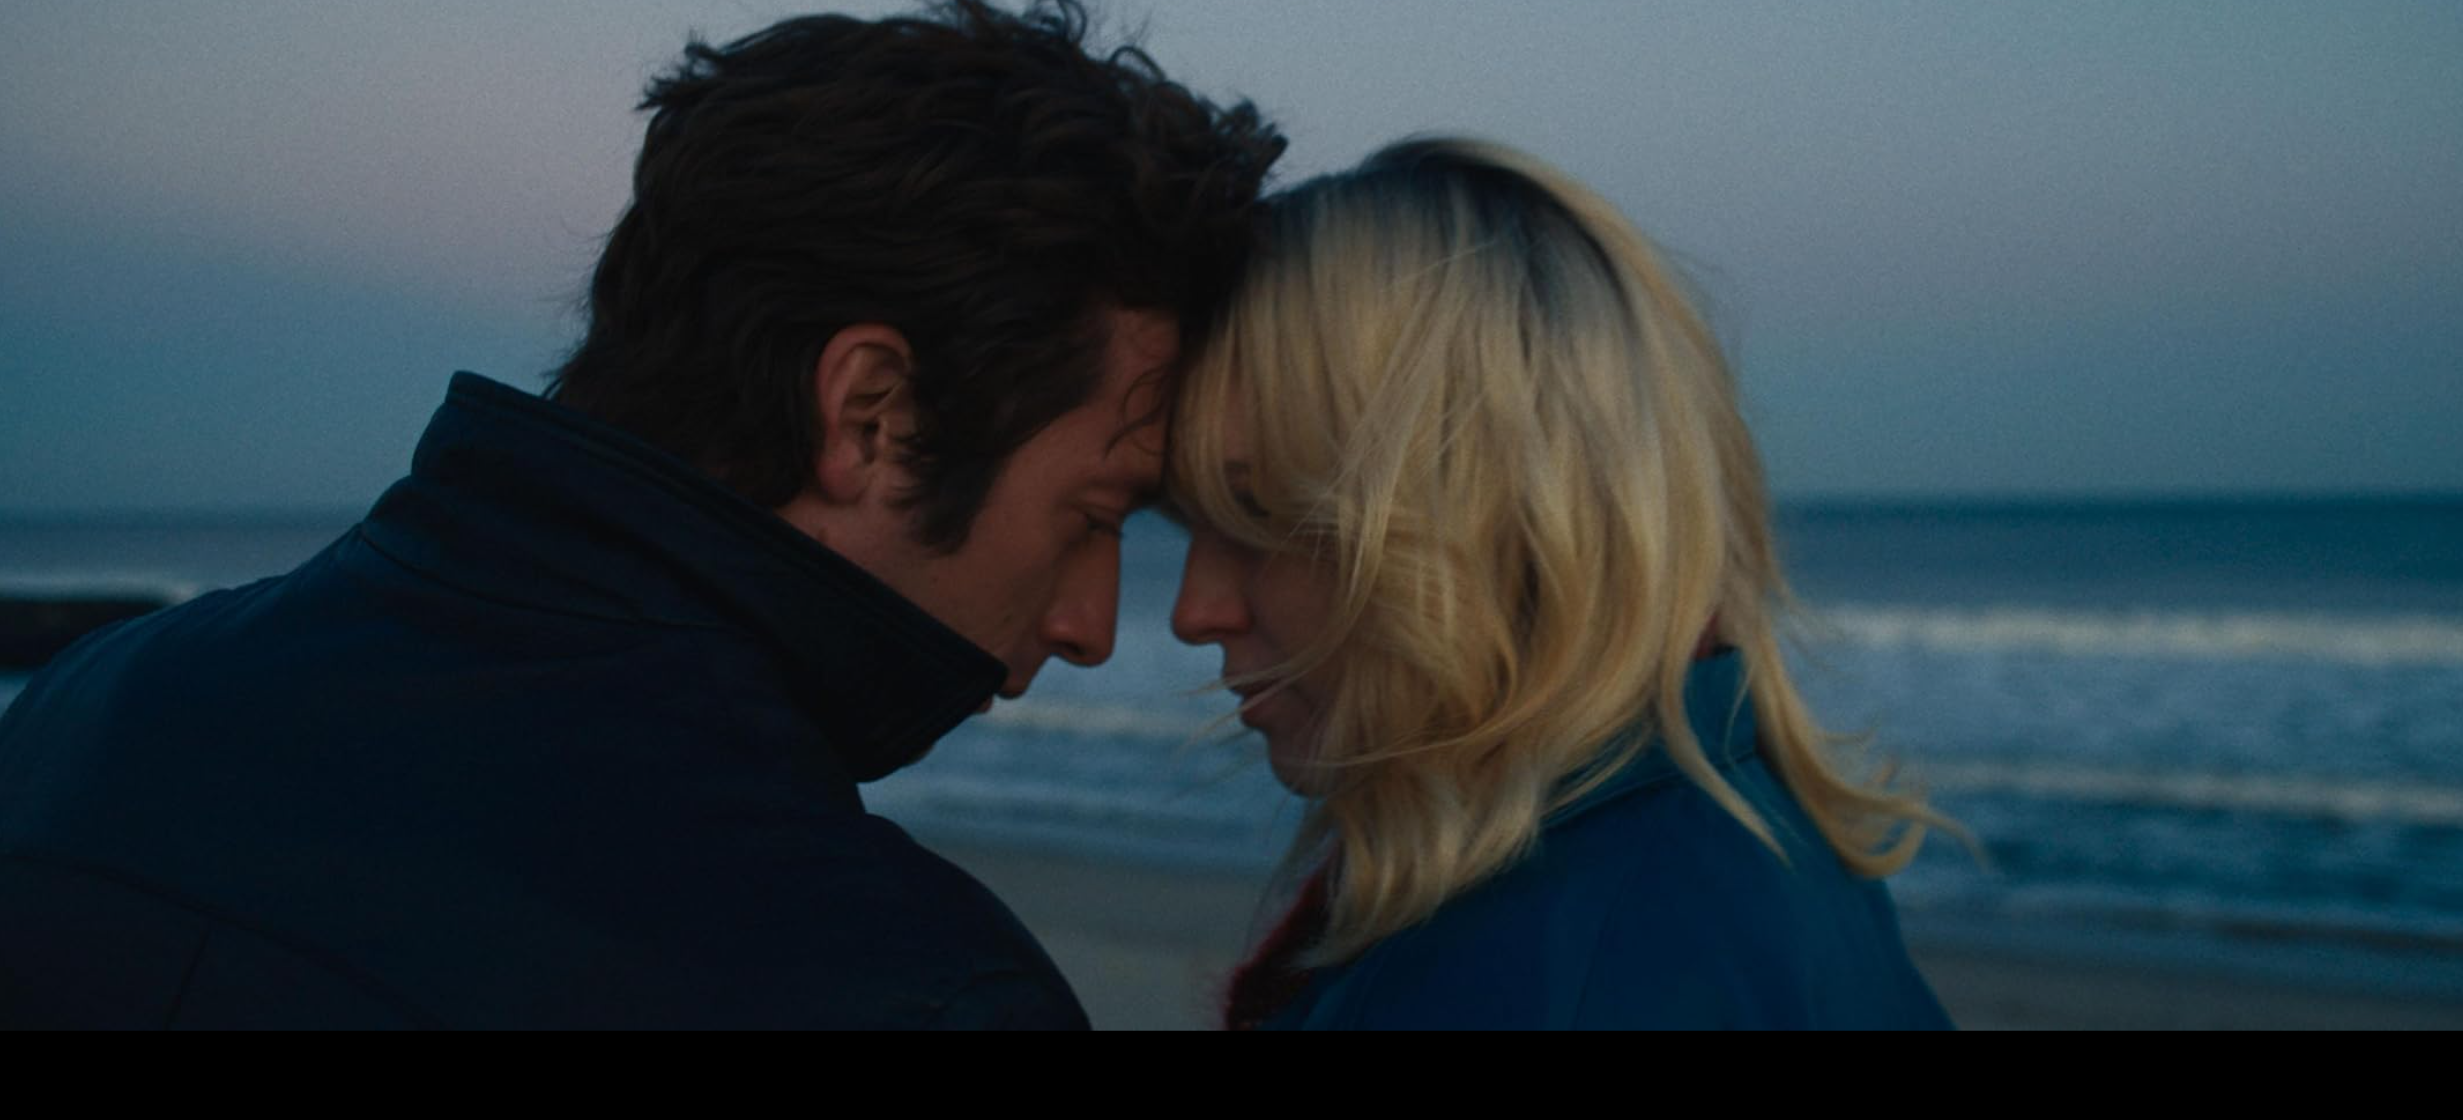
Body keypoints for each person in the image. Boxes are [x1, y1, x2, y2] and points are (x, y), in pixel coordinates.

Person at [0, 1, 1280, 1028]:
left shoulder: (87, 708)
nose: (1093, 625)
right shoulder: (892, 983)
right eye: (1094, 516)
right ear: (872, 414)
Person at [1167, 139, 1953, 1030]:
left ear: (1503, 506)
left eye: (1264, 514)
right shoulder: (1738, 833)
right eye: (1185, 522)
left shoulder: (1563, 964)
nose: (1195, 611)